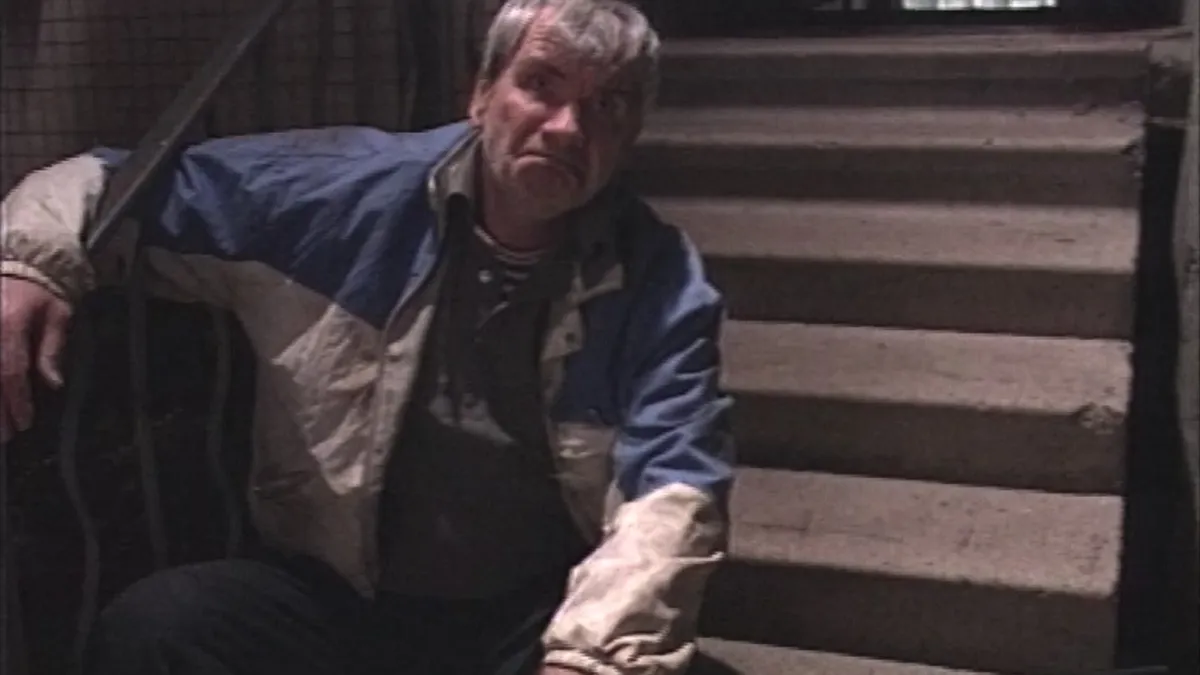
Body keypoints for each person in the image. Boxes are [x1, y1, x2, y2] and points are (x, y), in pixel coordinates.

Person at [0, 0, 734, 673]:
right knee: (162, 626)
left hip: (527, 612)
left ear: (630, 137)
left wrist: (589, 659)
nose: (568, 127)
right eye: (541, 85)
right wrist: (30, 265)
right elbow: (107, 181)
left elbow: (673, 488)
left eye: (608, 105)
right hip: (337, 596)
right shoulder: (339, 196)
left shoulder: (656, 279)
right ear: (482, 95)